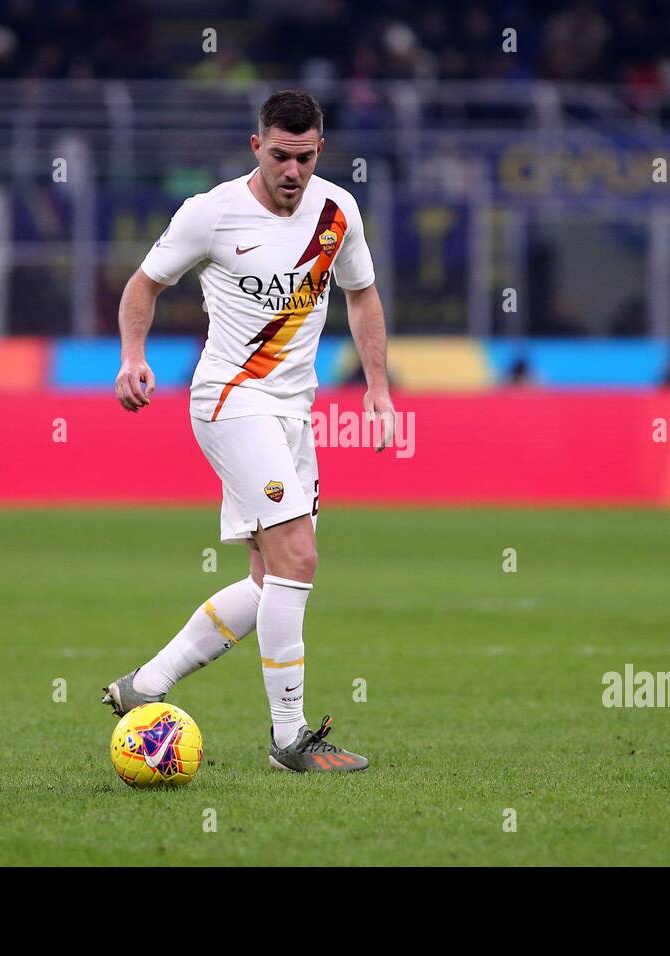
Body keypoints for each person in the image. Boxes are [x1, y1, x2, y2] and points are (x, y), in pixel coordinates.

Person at [102, 90, 394, 773]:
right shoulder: (211, 213)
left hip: (294, 411)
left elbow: (363, 294)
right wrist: (132, 359)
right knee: (300, 559)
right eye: (280, 156)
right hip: (231, 400)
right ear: (255, 145)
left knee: (271, 582)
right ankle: (289, 740)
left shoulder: (338, 211)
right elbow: (143, 286)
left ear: (319, 150)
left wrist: (377, 385)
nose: (292, 171)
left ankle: (144, 685)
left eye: (305, 157)